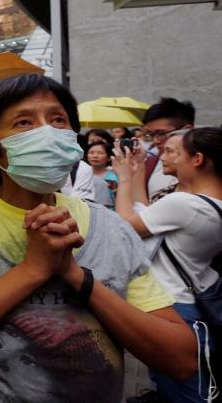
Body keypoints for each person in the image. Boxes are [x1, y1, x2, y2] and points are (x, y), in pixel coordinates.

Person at [0, 74, 197, 402]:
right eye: (24, 122)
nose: (48, 131)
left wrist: (76, 277)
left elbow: (182, 359)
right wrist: (32, 270)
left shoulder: (110, 227)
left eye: (58, 119)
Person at [113, 128, 222, 402]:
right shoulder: (207, 203)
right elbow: (144, 210)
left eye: (173, 151)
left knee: (183, 392)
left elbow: (125, 226)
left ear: (197, 159)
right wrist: (137, 171)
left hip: (174, 307)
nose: (163, 155)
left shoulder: (185, 203)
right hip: (193, 302)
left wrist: (124, 177)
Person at [143, 99, 196, 202]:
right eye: (151, 135)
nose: (155, 140)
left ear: (187, 129)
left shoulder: (209, 167)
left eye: (161, 133)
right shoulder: (151, 164)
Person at [84, 141, 117, 209]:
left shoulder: (114, 178)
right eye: (91, 153)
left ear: (109, 157)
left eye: (100, 153)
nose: (95, 156)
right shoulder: (81, 174)